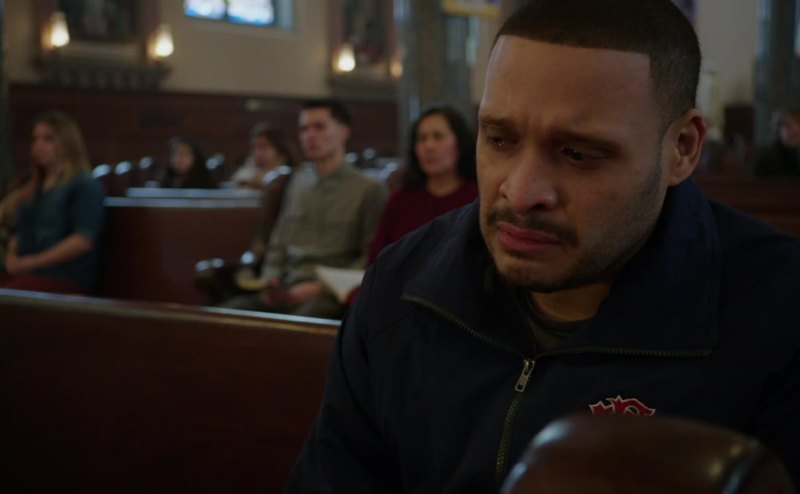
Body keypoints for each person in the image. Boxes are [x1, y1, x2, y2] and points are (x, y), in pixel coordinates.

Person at [287, 0, 800, 491]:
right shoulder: (402, 286)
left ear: (682, 148)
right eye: (500, 140)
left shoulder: (780, 313)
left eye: (577, 153)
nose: (521, 192)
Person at [220, 99, 387, 319]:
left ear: (343, 131)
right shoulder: (297, 181)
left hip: (328, 293)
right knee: (226, 315)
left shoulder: (369, 189)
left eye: (319, 127)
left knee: (305, 319)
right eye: (304, 129)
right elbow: (278, 242)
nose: (309, 135)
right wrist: (271, 278)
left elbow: (370, 257)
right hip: (286, 286)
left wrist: (321, 287)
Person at [0, 110, 105, 294]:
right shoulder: (32, 188)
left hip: (63, 277)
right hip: (27, 273)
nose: (38, 145)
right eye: (35, 139)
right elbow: (20, 230)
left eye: (48, 139)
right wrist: (12, 256)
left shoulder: (84, 185)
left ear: (67, 142)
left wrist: (30, 262)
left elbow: (82, 240)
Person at [367, 103, 478, 263]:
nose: (429, 146)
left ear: (460, 143)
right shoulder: (401, 199)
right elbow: (377, 258)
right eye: (422, 139)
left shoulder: (477, 198)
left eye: (438, 136)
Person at [229, 122, 298, 189]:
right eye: (254, 147)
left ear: (278, 148)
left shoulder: (288, 174)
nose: (257, 153)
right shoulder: (248, 170)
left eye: (264, 146)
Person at [753, 106, 800, 177]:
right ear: (777, 130)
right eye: (787, 125)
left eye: (798, 123)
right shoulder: (767, 159)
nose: (795, 129)